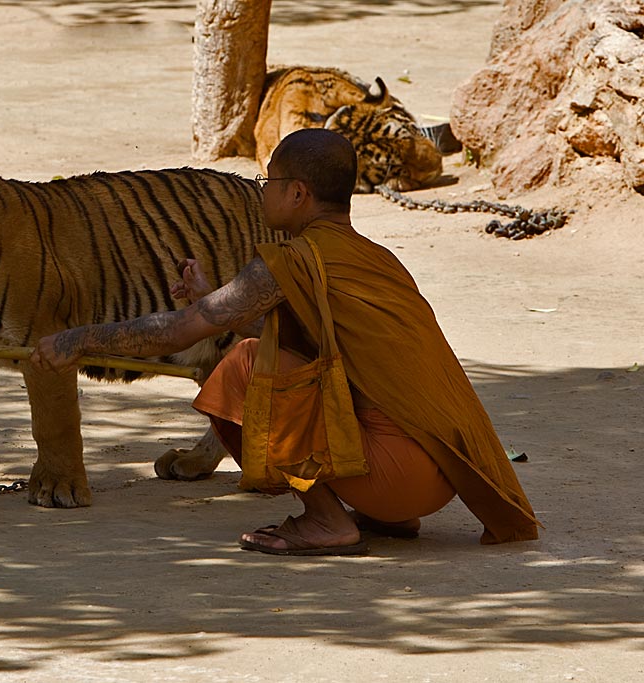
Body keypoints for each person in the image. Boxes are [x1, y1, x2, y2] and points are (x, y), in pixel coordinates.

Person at [31, 128, 539, 555]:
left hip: (391, 474)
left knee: (245, 365)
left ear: (297, 194)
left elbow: (185, 329)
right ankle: (381, 516)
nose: (261, 192)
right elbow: (316, 344)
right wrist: (214, 297)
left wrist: (79, 337)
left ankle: (326, 520)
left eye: (266, 181)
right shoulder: (376, 256)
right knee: (279, 355)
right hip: (440, 478)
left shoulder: (294, 259)